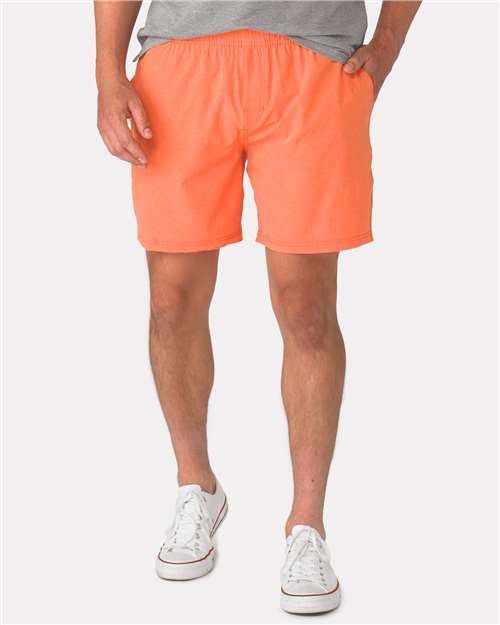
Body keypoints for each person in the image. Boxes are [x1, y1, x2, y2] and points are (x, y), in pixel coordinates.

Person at [94, 0, 420, 614]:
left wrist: (386, 49)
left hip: (314, 60)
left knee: (306, 306)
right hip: (180, 61)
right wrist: (107, 73)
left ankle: (307, 524)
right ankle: (196, 486)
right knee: (171, 299)